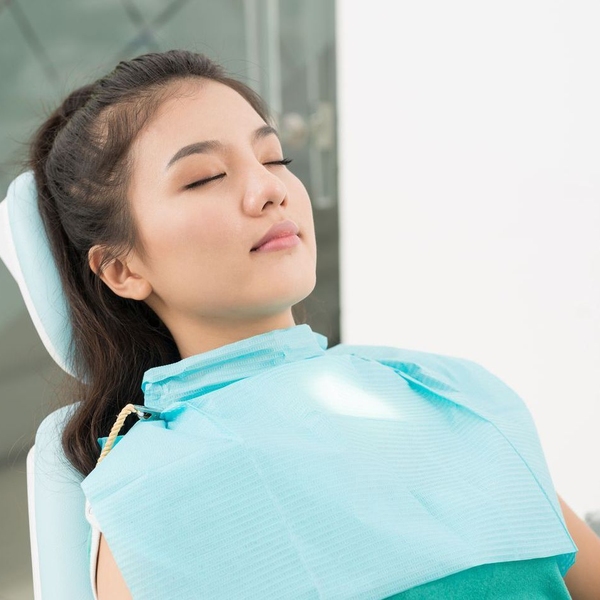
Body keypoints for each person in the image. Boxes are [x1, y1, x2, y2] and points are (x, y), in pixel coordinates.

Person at [15, 49, 600, 599]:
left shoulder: (442, 389)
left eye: (274, 159)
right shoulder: (153, 491)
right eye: (203, 177)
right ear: (121, 267)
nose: (270, 189)